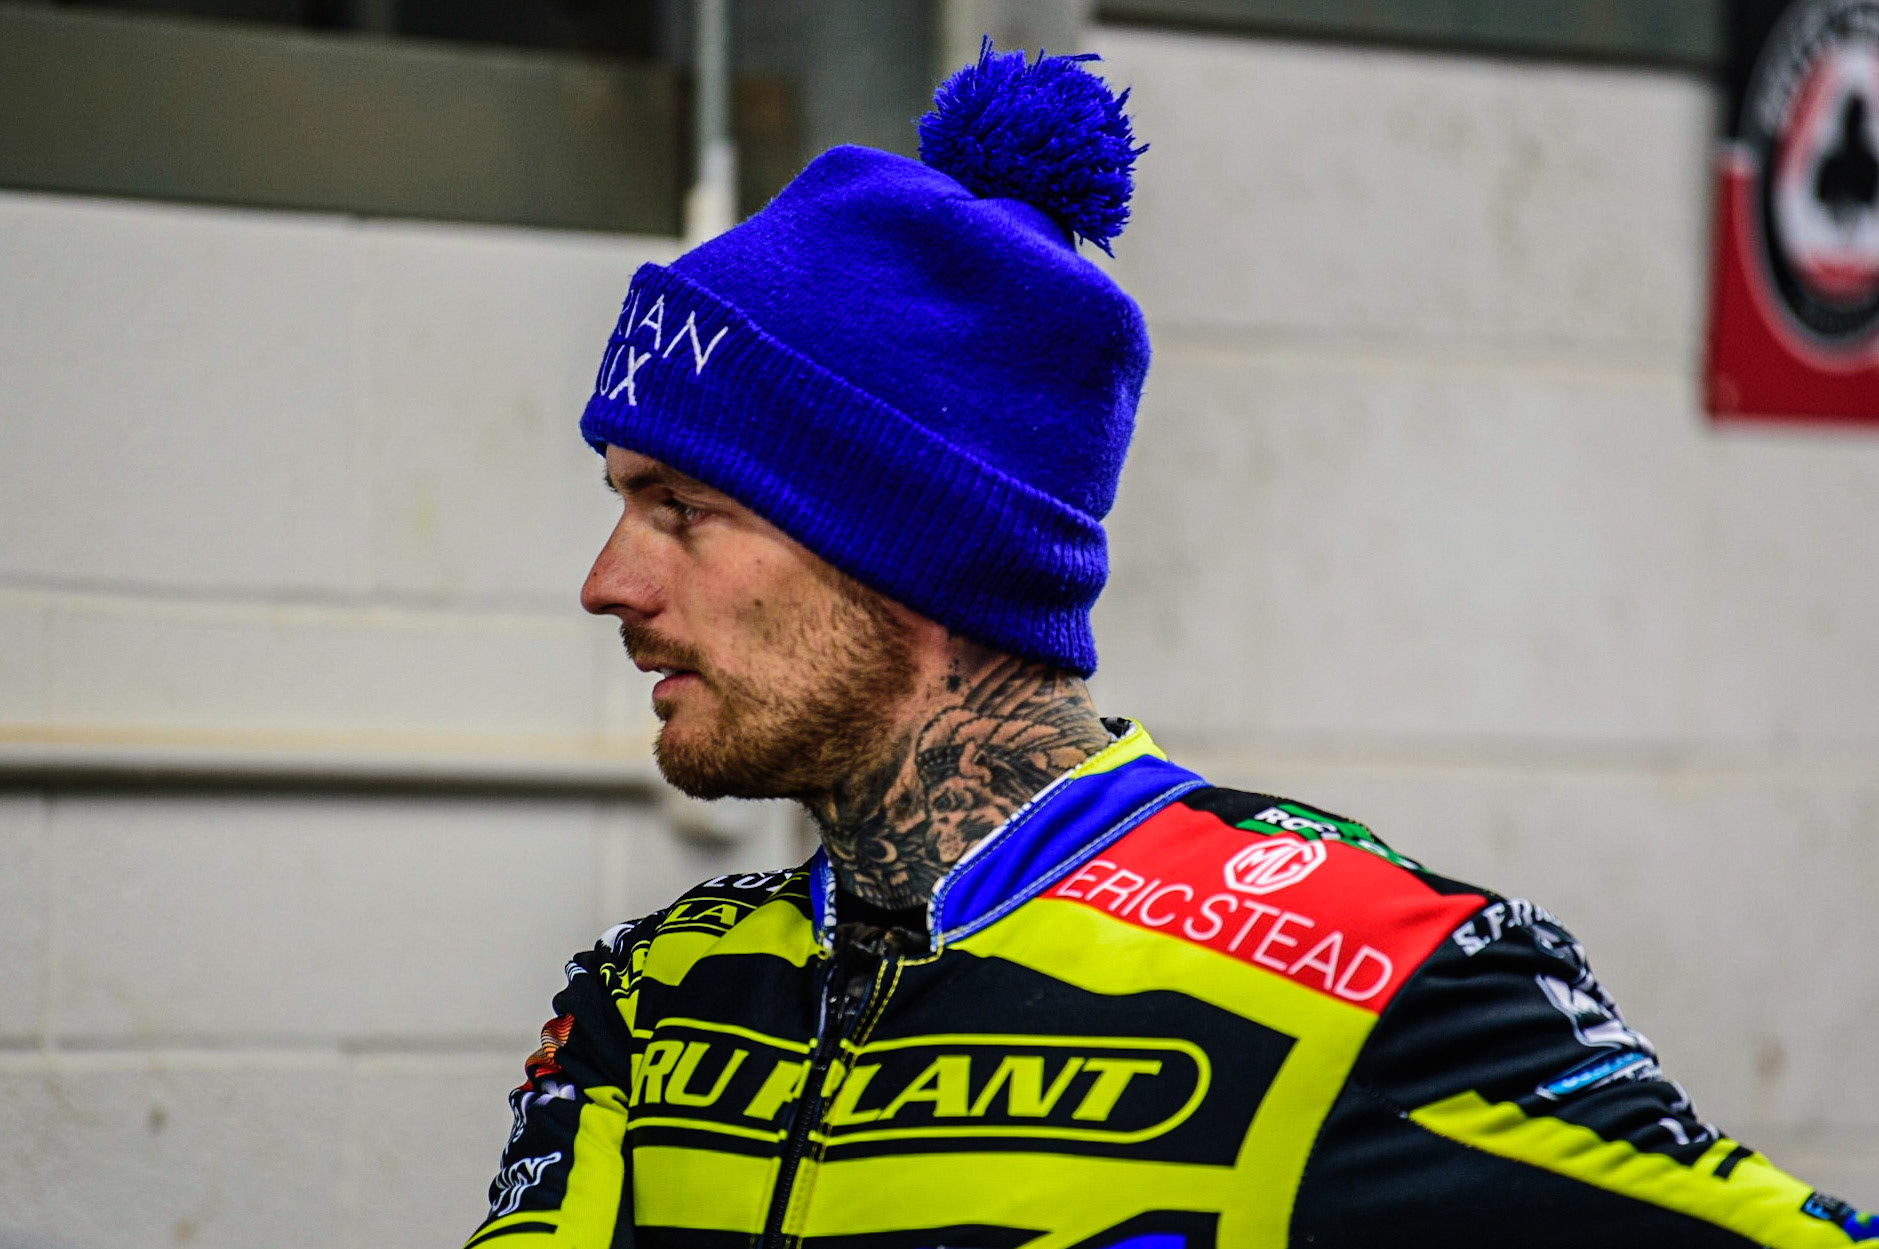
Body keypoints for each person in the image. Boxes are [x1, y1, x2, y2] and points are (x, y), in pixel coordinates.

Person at [465, 44, 1876, 1249]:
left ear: (901, 545)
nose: (609, 582)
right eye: (620, 504)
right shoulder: (649, 1009)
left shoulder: (1369, 977)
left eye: (681, 509)